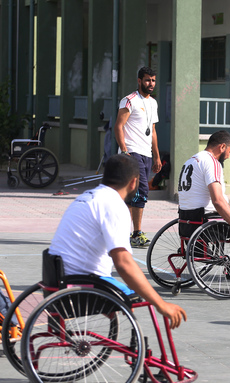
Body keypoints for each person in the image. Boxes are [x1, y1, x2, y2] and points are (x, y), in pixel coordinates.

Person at [48, 154, 186, 329]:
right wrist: (161, 303)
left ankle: (132, 348)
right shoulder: (114, 204)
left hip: (57, 277)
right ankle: (136, 350)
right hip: (83, 283)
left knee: (127, 292)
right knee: (139, 296)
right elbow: (123, 263)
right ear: (133, 182)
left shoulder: (86, 196)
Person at [177, 130, 230, 248]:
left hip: (187, 220)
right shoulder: (212, 162)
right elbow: (217, 201)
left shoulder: (191, 160)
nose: (228, 156)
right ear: (222, 147)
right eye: (229, 151)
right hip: (209, 219)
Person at [114, 66, 162, 248]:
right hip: (131, 152)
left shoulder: (153, 103)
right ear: (139, 80)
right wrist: (124, 150)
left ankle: (120, 230)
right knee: (142, 191)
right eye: (148, 80)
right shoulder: (129, 100)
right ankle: (136, 233)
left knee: (133, 195)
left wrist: (157, 156)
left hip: (146, 154)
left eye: (153, 80)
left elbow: (153, 132)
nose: (151, 83)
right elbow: (119, 126)